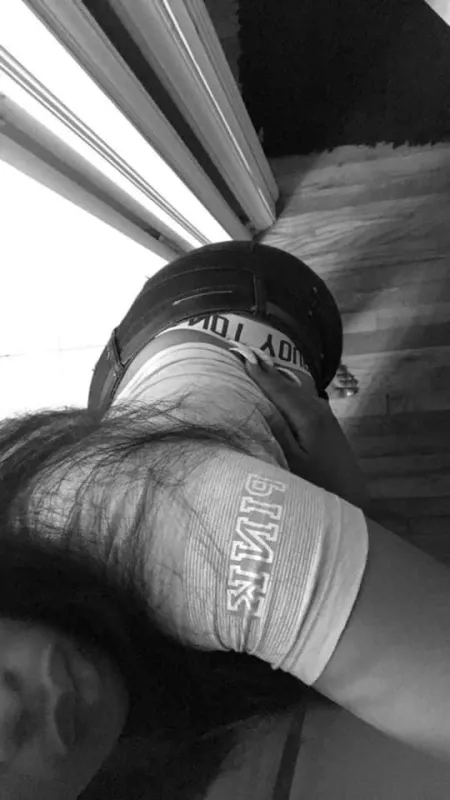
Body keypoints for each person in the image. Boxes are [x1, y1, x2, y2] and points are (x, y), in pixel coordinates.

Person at [1, 241, 449, 799]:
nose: (5, 716)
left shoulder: (178, 530)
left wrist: (348, 503)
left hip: (240, 300)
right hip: (129, 384)